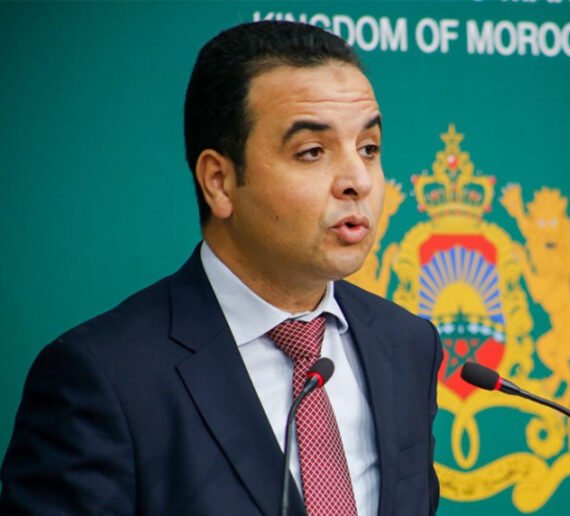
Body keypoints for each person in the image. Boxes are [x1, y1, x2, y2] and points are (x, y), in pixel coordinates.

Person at [0, 21, 442, 516]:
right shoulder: (103, 378)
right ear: (219, 181)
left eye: (369, 149)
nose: (358, 180)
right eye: (312, 152)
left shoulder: (408, 345)